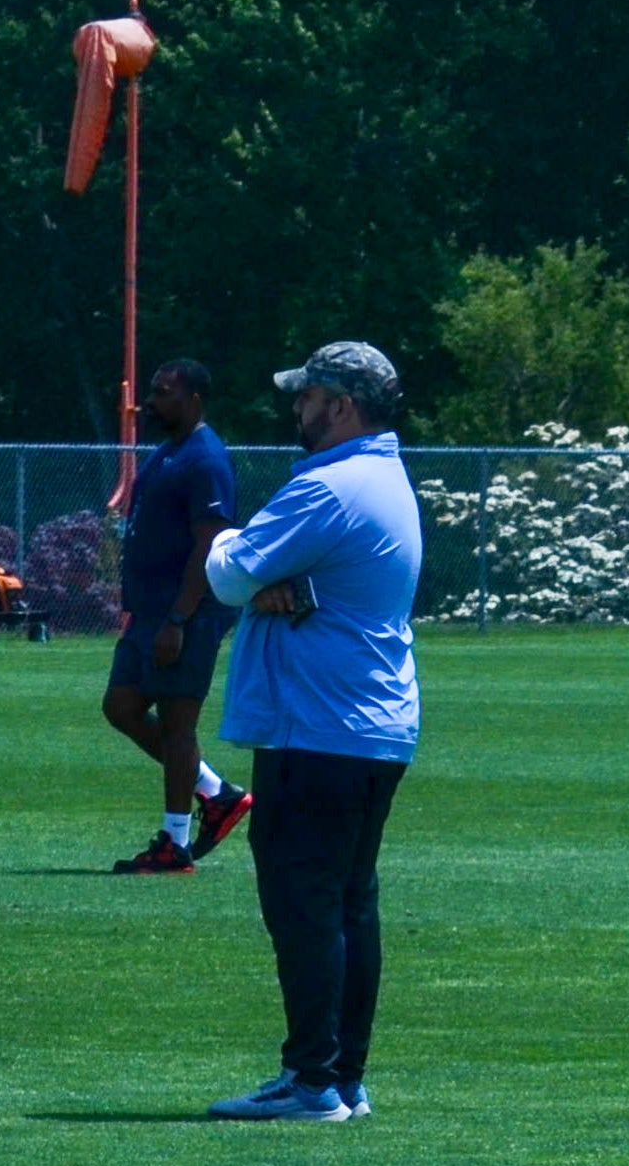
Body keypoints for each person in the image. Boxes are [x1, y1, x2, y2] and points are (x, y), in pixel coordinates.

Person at [192, 342, 425, 1123]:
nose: (298, 407)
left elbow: (227, 572)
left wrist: (238, 556)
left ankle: (311, 1081)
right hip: (370, 723)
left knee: (304, 904)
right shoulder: (383, 476)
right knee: (349, 902)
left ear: (343, 406)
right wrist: (270, 577)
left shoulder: (329, 485)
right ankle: (342, 1078)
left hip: (318, 726)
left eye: (309, 396)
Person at [101, 359, 253, 874]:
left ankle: (175, 843)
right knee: (121, 706)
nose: (152, 401)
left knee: (176, 723)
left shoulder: (205, 458)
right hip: (150, 613)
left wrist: (179, 619)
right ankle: (216, 792)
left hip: (184, 614)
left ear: (194, 399)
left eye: (164, 392)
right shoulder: (169, 451)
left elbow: (208, 544)